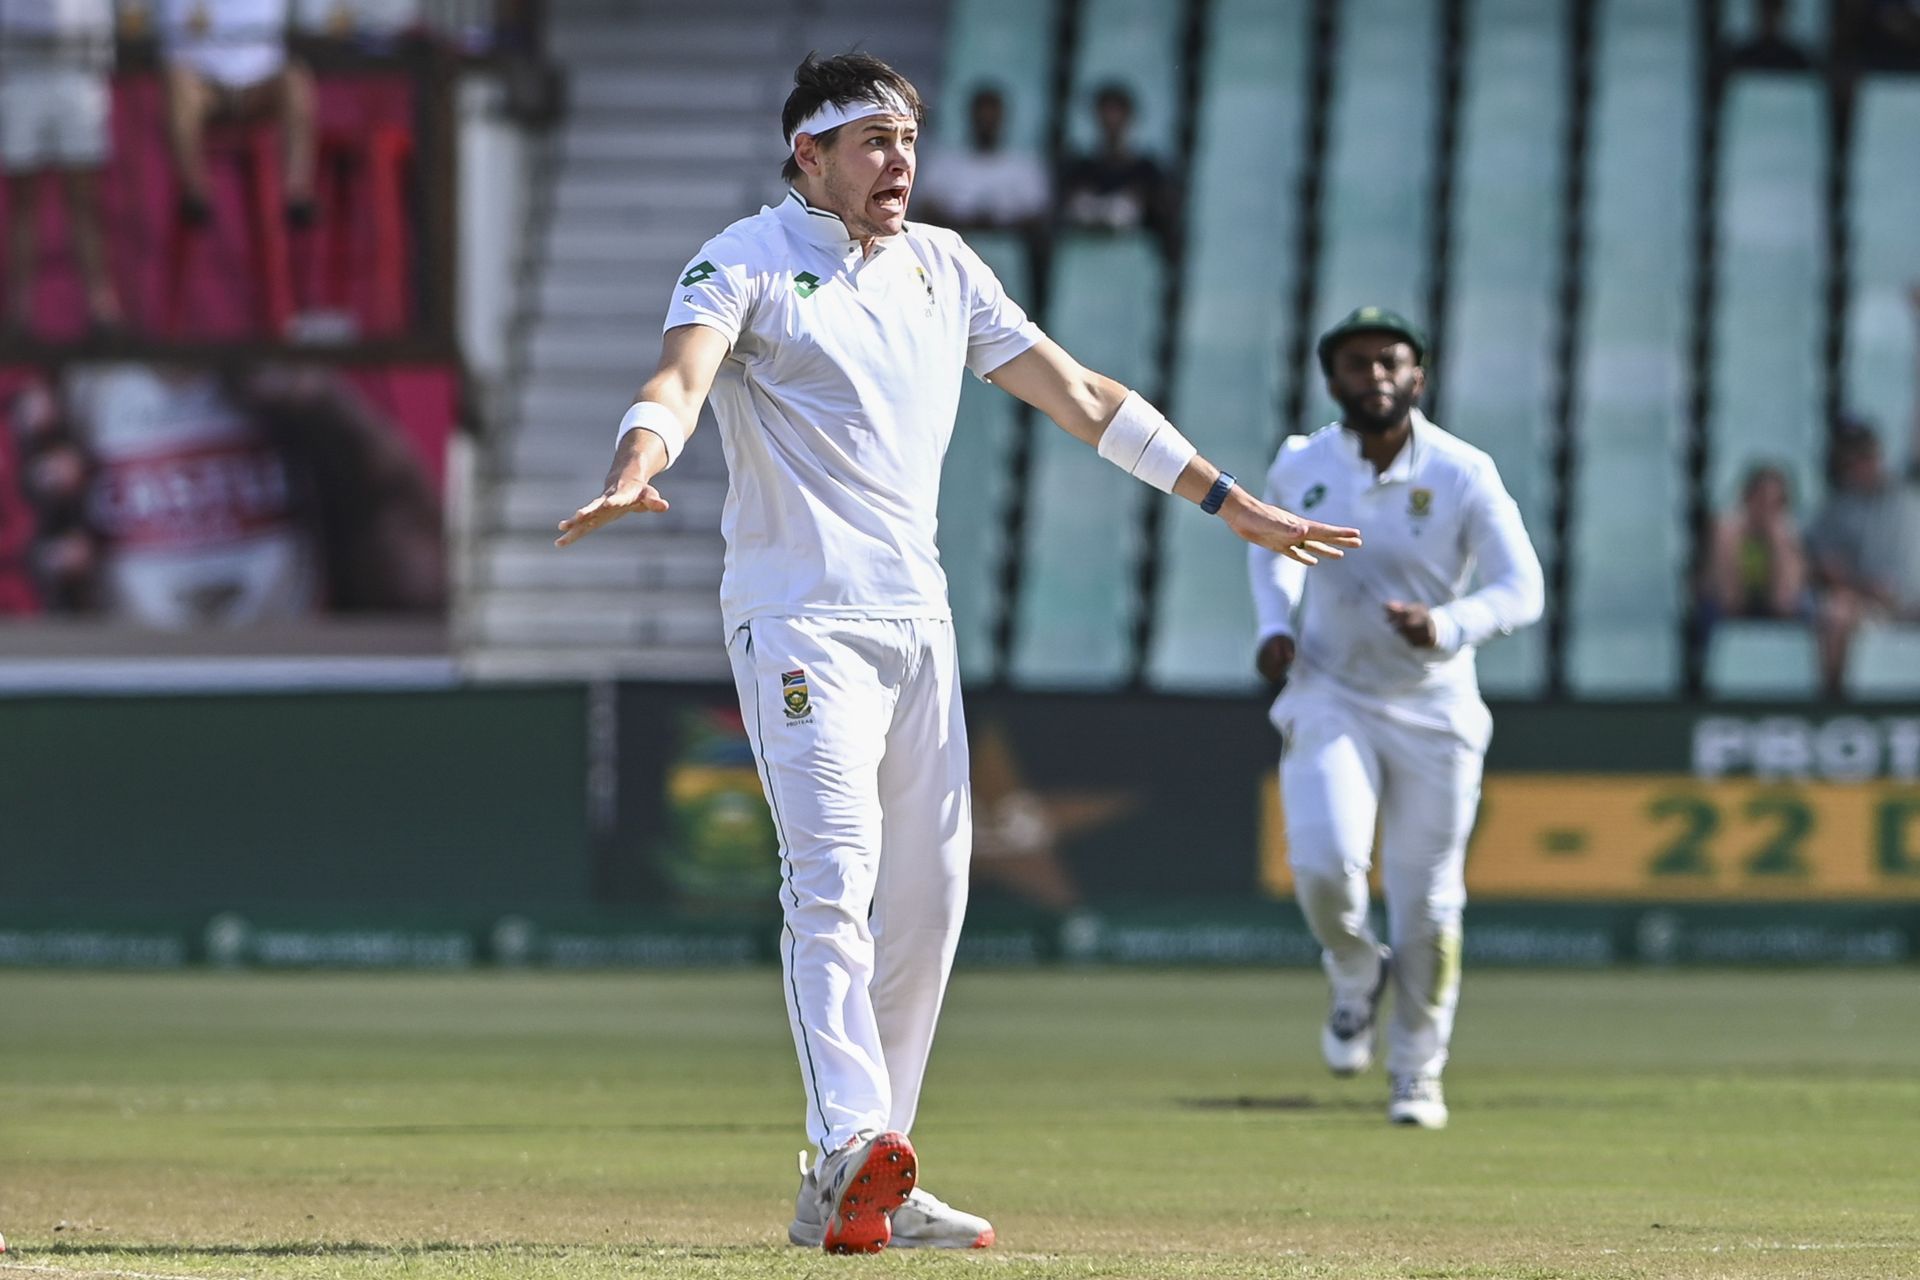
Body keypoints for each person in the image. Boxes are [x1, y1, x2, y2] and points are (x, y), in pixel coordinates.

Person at [554, 52, 1359, 1253]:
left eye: (909, 141)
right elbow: (680, 376)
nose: (900, 163)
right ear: (807, 156)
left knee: (929, 906)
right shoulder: (746, 258)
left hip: (916, 623)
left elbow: (1082, 394)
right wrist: (638, 455)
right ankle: (848, 1144)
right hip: (798, 619)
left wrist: (1226, 499)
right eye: (872, 142)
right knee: (832, 880)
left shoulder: (943, 265)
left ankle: (872, 1170)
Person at [1249, 307, 1542, 1130]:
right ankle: (1352, 969)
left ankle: (1417, 1069)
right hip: (1330, 692)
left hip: (1435, 708)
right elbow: (1270, 550)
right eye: (1355, 363)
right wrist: (1275, 628)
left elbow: (1524, 588)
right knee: (1325, 866)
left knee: (1428, 904)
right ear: (1332, 379)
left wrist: (1447, 626)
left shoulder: (1462, 471)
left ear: (1418, 377)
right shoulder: (1300, 464)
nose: (1373, 375)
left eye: (1390, 362)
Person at [0, 0, 125, 336]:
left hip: (77, 72)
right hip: (20, 72)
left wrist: (99, 66)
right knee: (23, 201)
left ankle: (103, 307)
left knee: (85, 199)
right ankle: (18, 311)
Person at [158, 0, 317, 226]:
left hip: (261, 84)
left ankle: (297, 193)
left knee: (296, 80)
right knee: (178, 84)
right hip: (204, 88)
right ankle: (196, 193)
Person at [1809, 420, 1920, 694]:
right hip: (1871, 605)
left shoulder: (1906, 492)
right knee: (1836, 613)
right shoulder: (1837, 509)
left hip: (1914, 600)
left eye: (1867, 455)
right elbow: (1827, 566)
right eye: (1854, 457)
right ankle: (1832, 701)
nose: (1863, 464)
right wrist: (1868, 588)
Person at [911, 85, 1050, 233]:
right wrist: (967, 223)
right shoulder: (943, 162)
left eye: (992, 119)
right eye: (982, 118)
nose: (986, 125)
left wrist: (995, 225)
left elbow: (1038, 215)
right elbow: (926, 207)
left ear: (1002, 119)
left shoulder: (1025, 166)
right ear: (971, 117)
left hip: (1008, 246)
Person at [1057, 82, 1176, 243]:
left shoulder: (1147, 170)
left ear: (1129, 117)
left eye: (1117, 112)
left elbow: (1163, 215)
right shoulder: (1079, 169)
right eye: (1105, 111)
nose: (1111, 119)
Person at [1700, 462, 1811, 626]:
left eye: (1776, 504)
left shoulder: (1788, 537)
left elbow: (1784, 603)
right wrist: (1729, 540)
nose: (1766, 511)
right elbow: (1729, 600)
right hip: (1729, 608)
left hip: (1773, 607)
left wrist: (1777, 542)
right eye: (1760, 501)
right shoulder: (1726, 532)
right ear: (1746, 499)